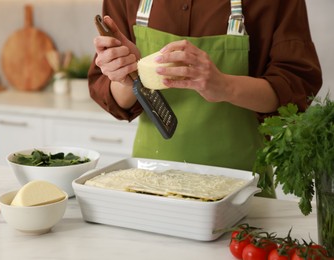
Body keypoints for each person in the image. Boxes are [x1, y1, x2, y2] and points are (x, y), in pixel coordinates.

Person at [88, 0, 322, 197]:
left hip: (240, 192)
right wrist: (131, 71)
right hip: (148, 186)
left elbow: (295, 89)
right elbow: (117, 99)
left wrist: (225, 86)